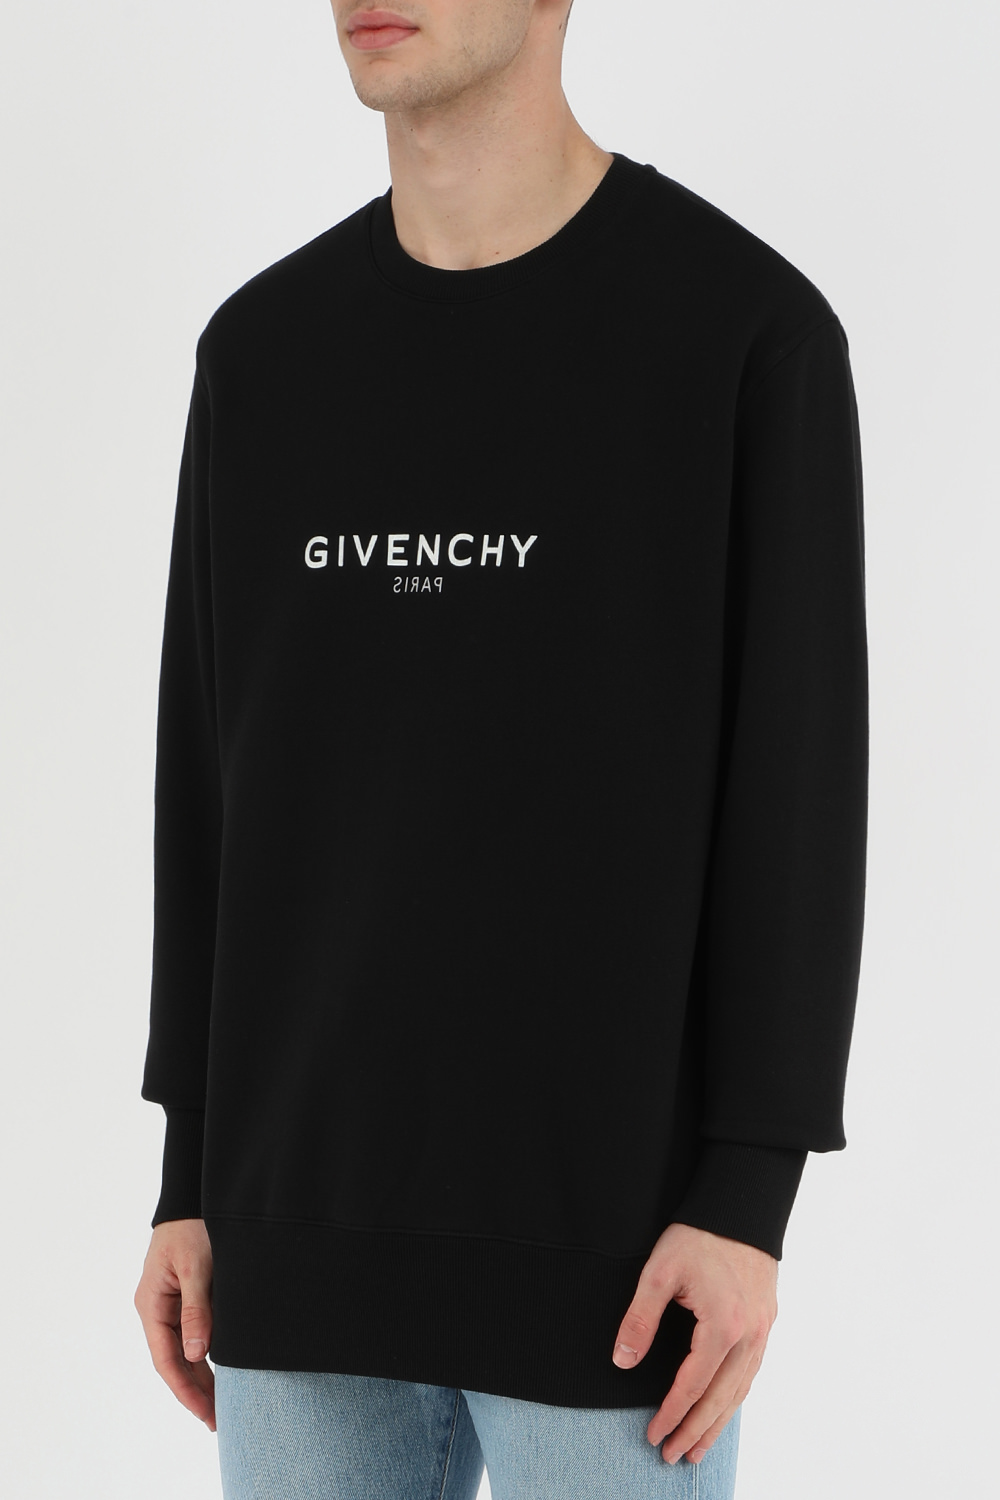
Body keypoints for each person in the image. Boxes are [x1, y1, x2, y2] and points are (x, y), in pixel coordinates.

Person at [132, 2, 869, 1496]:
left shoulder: (739, 332)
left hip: (618, 1273)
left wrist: (750, 1196)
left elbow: (797, 791)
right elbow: (212, 787)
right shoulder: (263, 354)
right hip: (292, 1254)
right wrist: (187, 1175)